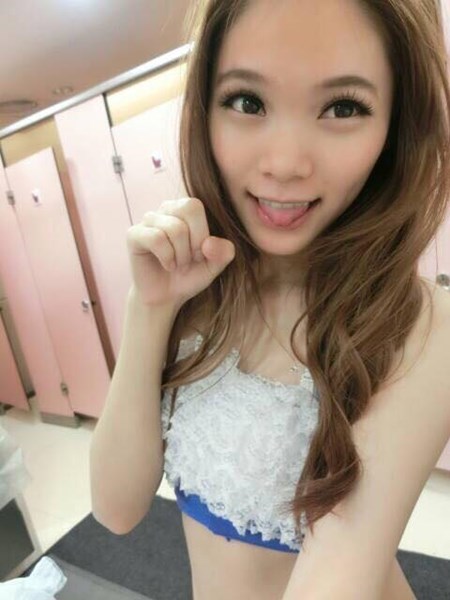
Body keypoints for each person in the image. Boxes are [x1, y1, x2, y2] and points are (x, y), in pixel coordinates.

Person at [90, 0, 450, 598]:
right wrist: (147, 308)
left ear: (396, 128)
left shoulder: (421, 328)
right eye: (247, 101)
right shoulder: (196, 282)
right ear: (205, 108)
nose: (284, 165)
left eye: (343, 107)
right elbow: (115, 508)